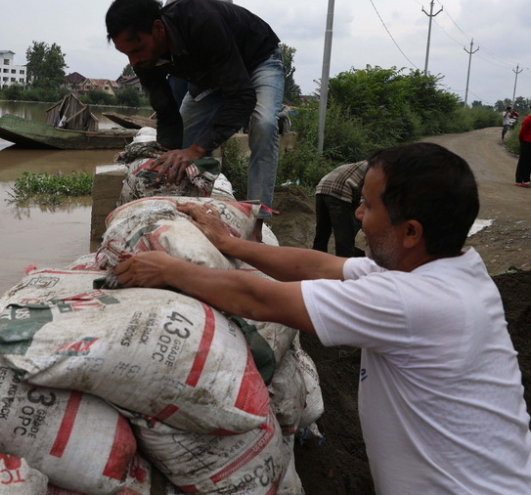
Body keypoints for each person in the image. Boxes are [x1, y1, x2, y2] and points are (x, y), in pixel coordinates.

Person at [114, 142, 531, 494]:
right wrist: (230, 245)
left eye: (368, 206)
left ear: (410, 233)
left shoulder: (412, 301)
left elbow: (259, 300)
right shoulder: (446, 269)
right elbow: (317, 265)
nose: (357, 215)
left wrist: (170, 270)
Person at [105, 0, 284, 241]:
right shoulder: (144, 59)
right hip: (211, 75)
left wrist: (197, 150)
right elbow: (166, 112)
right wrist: (166, 153)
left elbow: (241, 96)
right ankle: (191, 217)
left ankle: (256, 225)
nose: (133, 62)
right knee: (180, 154)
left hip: (257, 60)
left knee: (264, 126)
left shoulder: (201, 21)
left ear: (157, 29)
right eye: (126, 55)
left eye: (136, 50)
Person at [164, 0, 234, 107]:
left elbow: (231, 30)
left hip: (213, 71)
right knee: (177, 114)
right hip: (182, 69)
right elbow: (164, 28)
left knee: (207, 117)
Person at [312, 161, 368, 257]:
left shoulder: (366, 164)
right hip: (339, 189)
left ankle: (315, 264)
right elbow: (366, 198)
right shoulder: (380, 169)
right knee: (344, 237)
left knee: (322, 233)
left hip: (321, 188)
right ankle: (344, 266)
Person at [516, 112, 531, 187]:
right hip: (526, 143)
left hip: (528, 142)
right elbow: (522, 132)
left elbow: (522, 132)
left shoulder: (528, 119)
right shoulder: (528, 119)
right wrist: (521, 141)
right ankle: (520, 180)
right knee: (524, 161)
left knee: (527, 162)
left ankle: (526, 180)